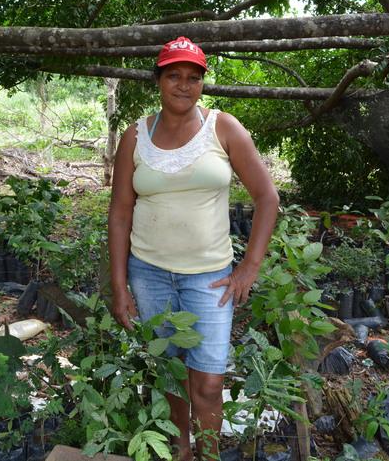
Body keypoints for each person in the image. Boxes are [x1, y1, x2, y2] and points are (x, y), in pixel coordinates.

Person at [108, 36, 279, 460]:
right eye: (174, 76)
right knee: (168, 375)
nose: (184, 85)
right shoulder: (135, 136)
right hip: (148, 274)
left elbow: (267, 197)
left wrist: (249, 268)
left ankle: (207, 454)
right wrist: (119, 287)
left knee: (208, 382)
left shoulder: (223, 127)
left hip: (210, 278)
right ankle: (179, 451)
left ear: (202, 83)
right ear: (159, 80)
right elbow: (119, 214)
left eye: (193, 77)